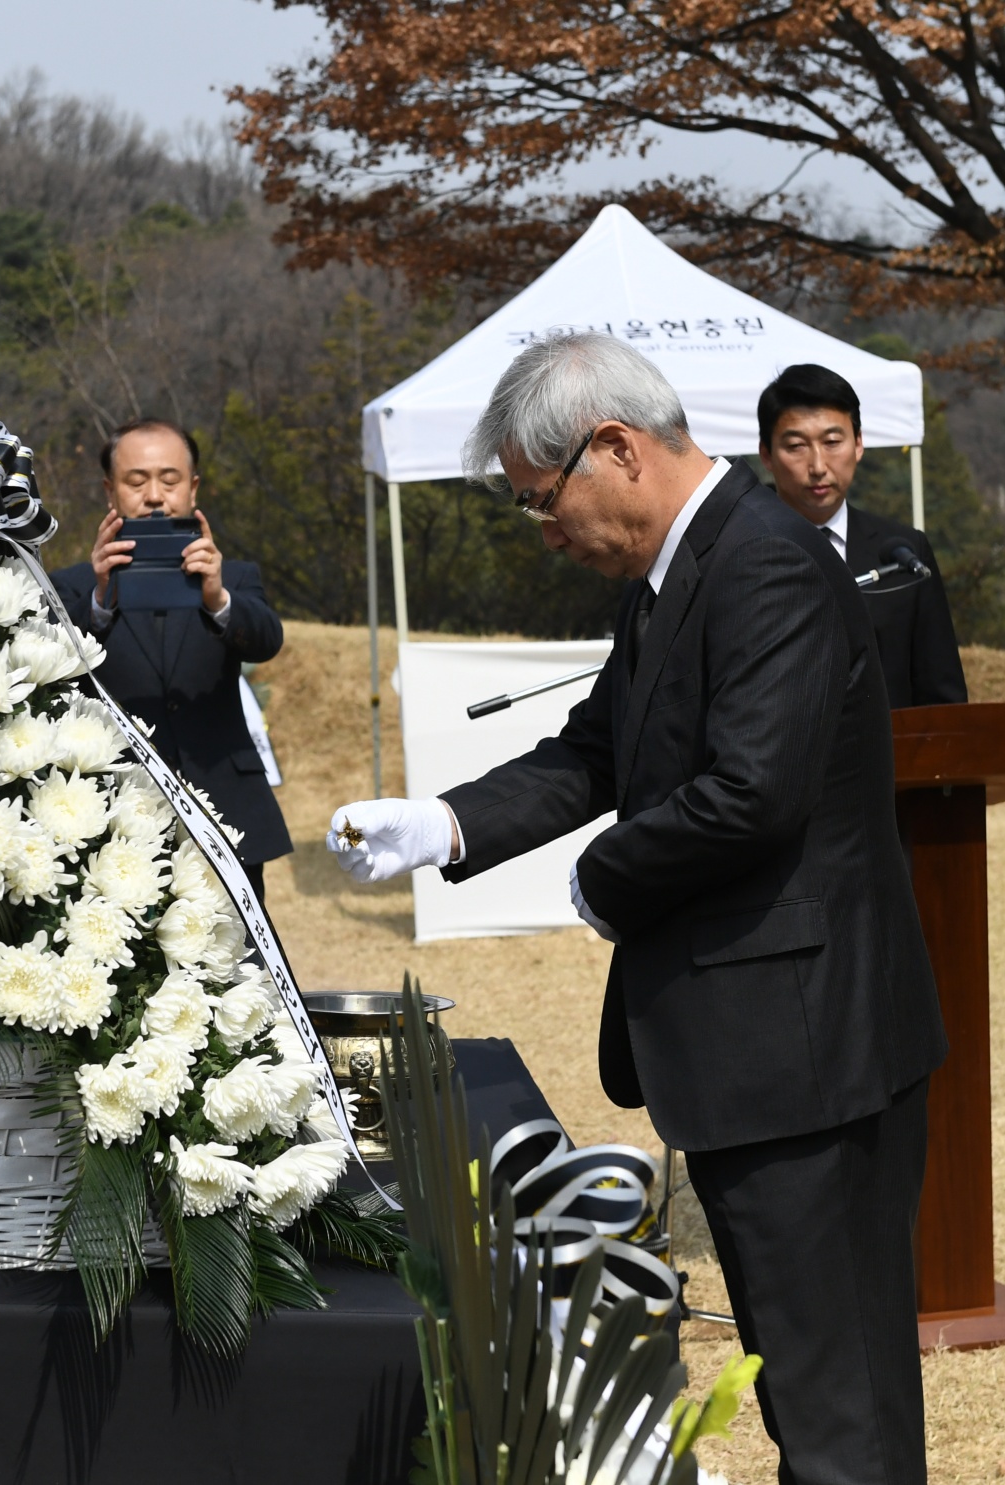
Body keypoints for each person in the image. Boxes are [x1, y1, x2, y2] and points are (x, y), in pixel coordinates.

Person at [326, 334, 946, 1485]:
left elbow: (749, 793)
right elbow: (599, 749)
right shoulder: (677, 572)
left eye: (539, 499)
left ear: (615, 449)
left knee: (836, 1394)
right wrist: (444, 826)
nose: (544, 530)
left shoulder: (763, 562)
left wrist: (602, 877)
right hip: (748, 1050)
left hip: (804, 1045)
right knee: (798, 1377)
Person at [49, 419, 291, 900]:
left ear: (193, 488)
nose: (155, 496)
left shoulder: (234, 577)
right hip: (114, 814)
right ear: (109, 492)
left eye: (170, 479)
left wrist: (218, 597)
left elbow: (265, 640)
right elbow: (54, 672)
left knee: (240, 967)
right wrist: (99, 599)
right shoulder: (74, 587)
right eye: (136, 481)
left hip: (224, 809)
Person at [760, 363, 968, 709]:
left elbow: (941, 694)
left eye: (832, 442)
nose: (818, 466)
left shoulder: (903, 553)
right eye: (796, 446)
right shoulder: (735, 549)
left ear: (858, 444)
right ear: (766, 454)